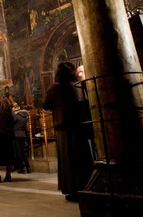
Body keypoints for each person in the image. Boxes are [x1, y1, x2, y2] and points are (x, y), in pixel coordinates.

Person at [43, 62, 94, 202]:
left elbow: (46, 105)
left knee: (68, 160)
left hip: (64, 127)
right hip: (81, 127)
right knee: (83, 157)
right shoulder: (79, 85)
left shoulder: (55, 88)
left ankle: (73, 190)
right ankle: (88, 186)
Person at [13, 103, 31, 174]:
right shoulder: (24, 116)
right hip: (23, 134)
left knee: (19, 152)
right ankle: (28, 167)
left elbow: (12, 123)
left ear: (15, 108)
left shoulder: (16, 116)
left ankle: (21, 168)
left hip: (16, 134)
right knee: (23, 152)